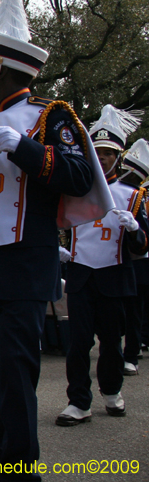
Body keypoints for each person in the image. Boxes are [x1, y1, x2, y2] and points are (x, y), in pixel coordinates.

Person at [0, 0, 106, 482]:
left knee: (16, 371)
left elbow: (80, 176)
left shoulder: (51, 116)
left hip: (24, 263)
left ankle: (21, 471)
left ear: (3, 70)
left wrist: (26, 149)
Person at [56, 106, 147, 426]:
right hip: (81, 276)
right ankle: (78, 401)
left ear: (119, 156)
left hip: (114, 276)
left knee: (111, 341)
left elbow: (143, 246)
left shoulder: (132, 196)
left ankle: (111, 390)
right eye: (99, 151)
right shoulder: (75, 189)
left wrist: (136, 229)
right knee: (78, 343)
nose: (104, 158)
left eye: (109, 153)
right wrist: (62, 251)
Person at [118, 138, 149, 376]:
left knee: (135, 309)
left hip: (140, 260)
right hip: (116, 257)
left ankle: (131, 353)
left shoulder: (141, 196)